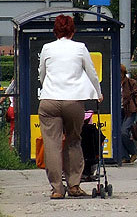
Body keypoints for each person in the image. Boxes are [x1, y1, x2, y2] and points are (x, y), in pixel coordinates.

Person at [38, 14, 102, 199]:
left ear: (55, 31)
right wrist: (98, 93)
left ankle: (57, 189)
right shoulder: (80, 48)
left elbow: (42, 74)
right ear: (73, 31)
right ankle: (74, 185)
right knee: (73, 140)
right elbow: (91, 73)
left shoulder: (47, 48)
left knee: (52, 144)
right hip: (73, 101)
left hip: (49, 100)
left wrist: (47, 89)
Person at [120, 63, 137, 164]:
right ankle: (124, 156)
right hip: (118, 110)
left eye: (120, 73)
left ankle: (133, 151)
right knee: (117, 133)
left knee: (124, 132)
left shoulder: (130, 82)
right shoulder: (114, 82)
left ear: (123, 73)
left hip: (130, 110)